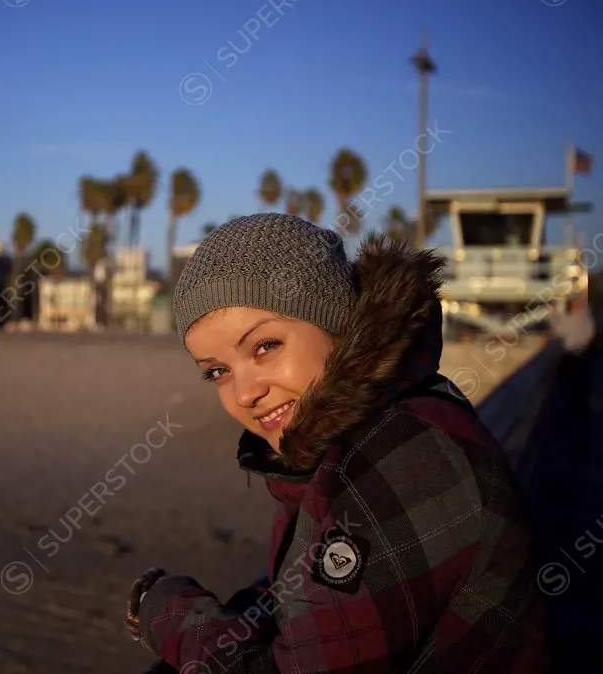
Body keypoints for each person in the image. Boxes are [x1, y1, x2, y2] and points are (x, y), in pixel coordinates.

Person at [124, 214, 549, 673]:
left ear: (338, 324)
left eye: (265, 345)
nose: (244, 393)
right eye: (218, 371)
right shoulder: (349, 441)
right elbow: (303, 592)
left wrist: (166, 614)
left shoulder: (403, 457)